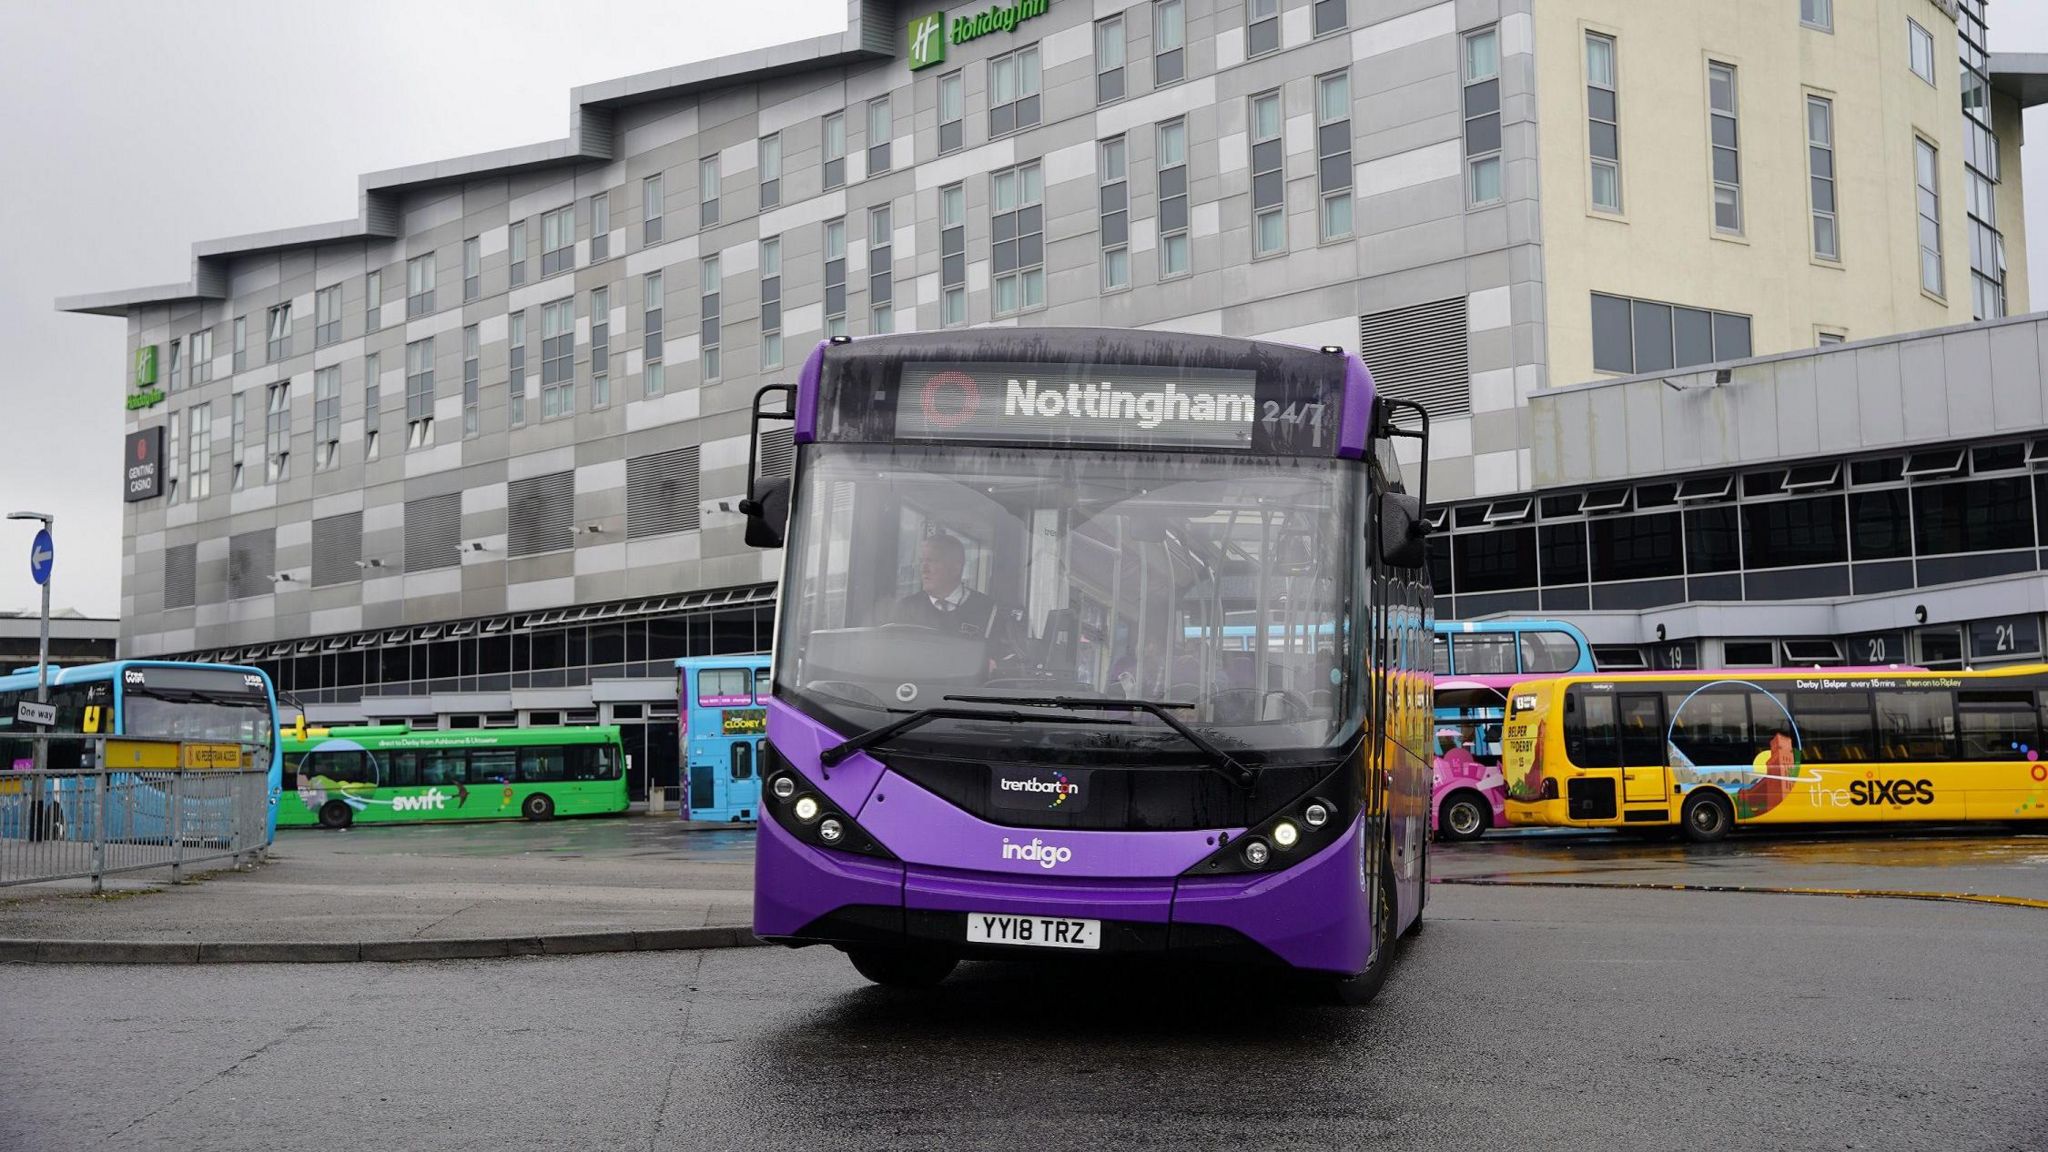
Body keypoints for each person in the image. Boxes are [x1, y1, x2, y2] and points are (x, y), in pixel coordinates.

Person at [892, 532, 999, 639]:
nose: (924, 569)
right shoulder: (905, 609)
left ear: (956, 568)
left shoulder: (987, 610)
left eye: (932, 561)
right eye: (921, 561)